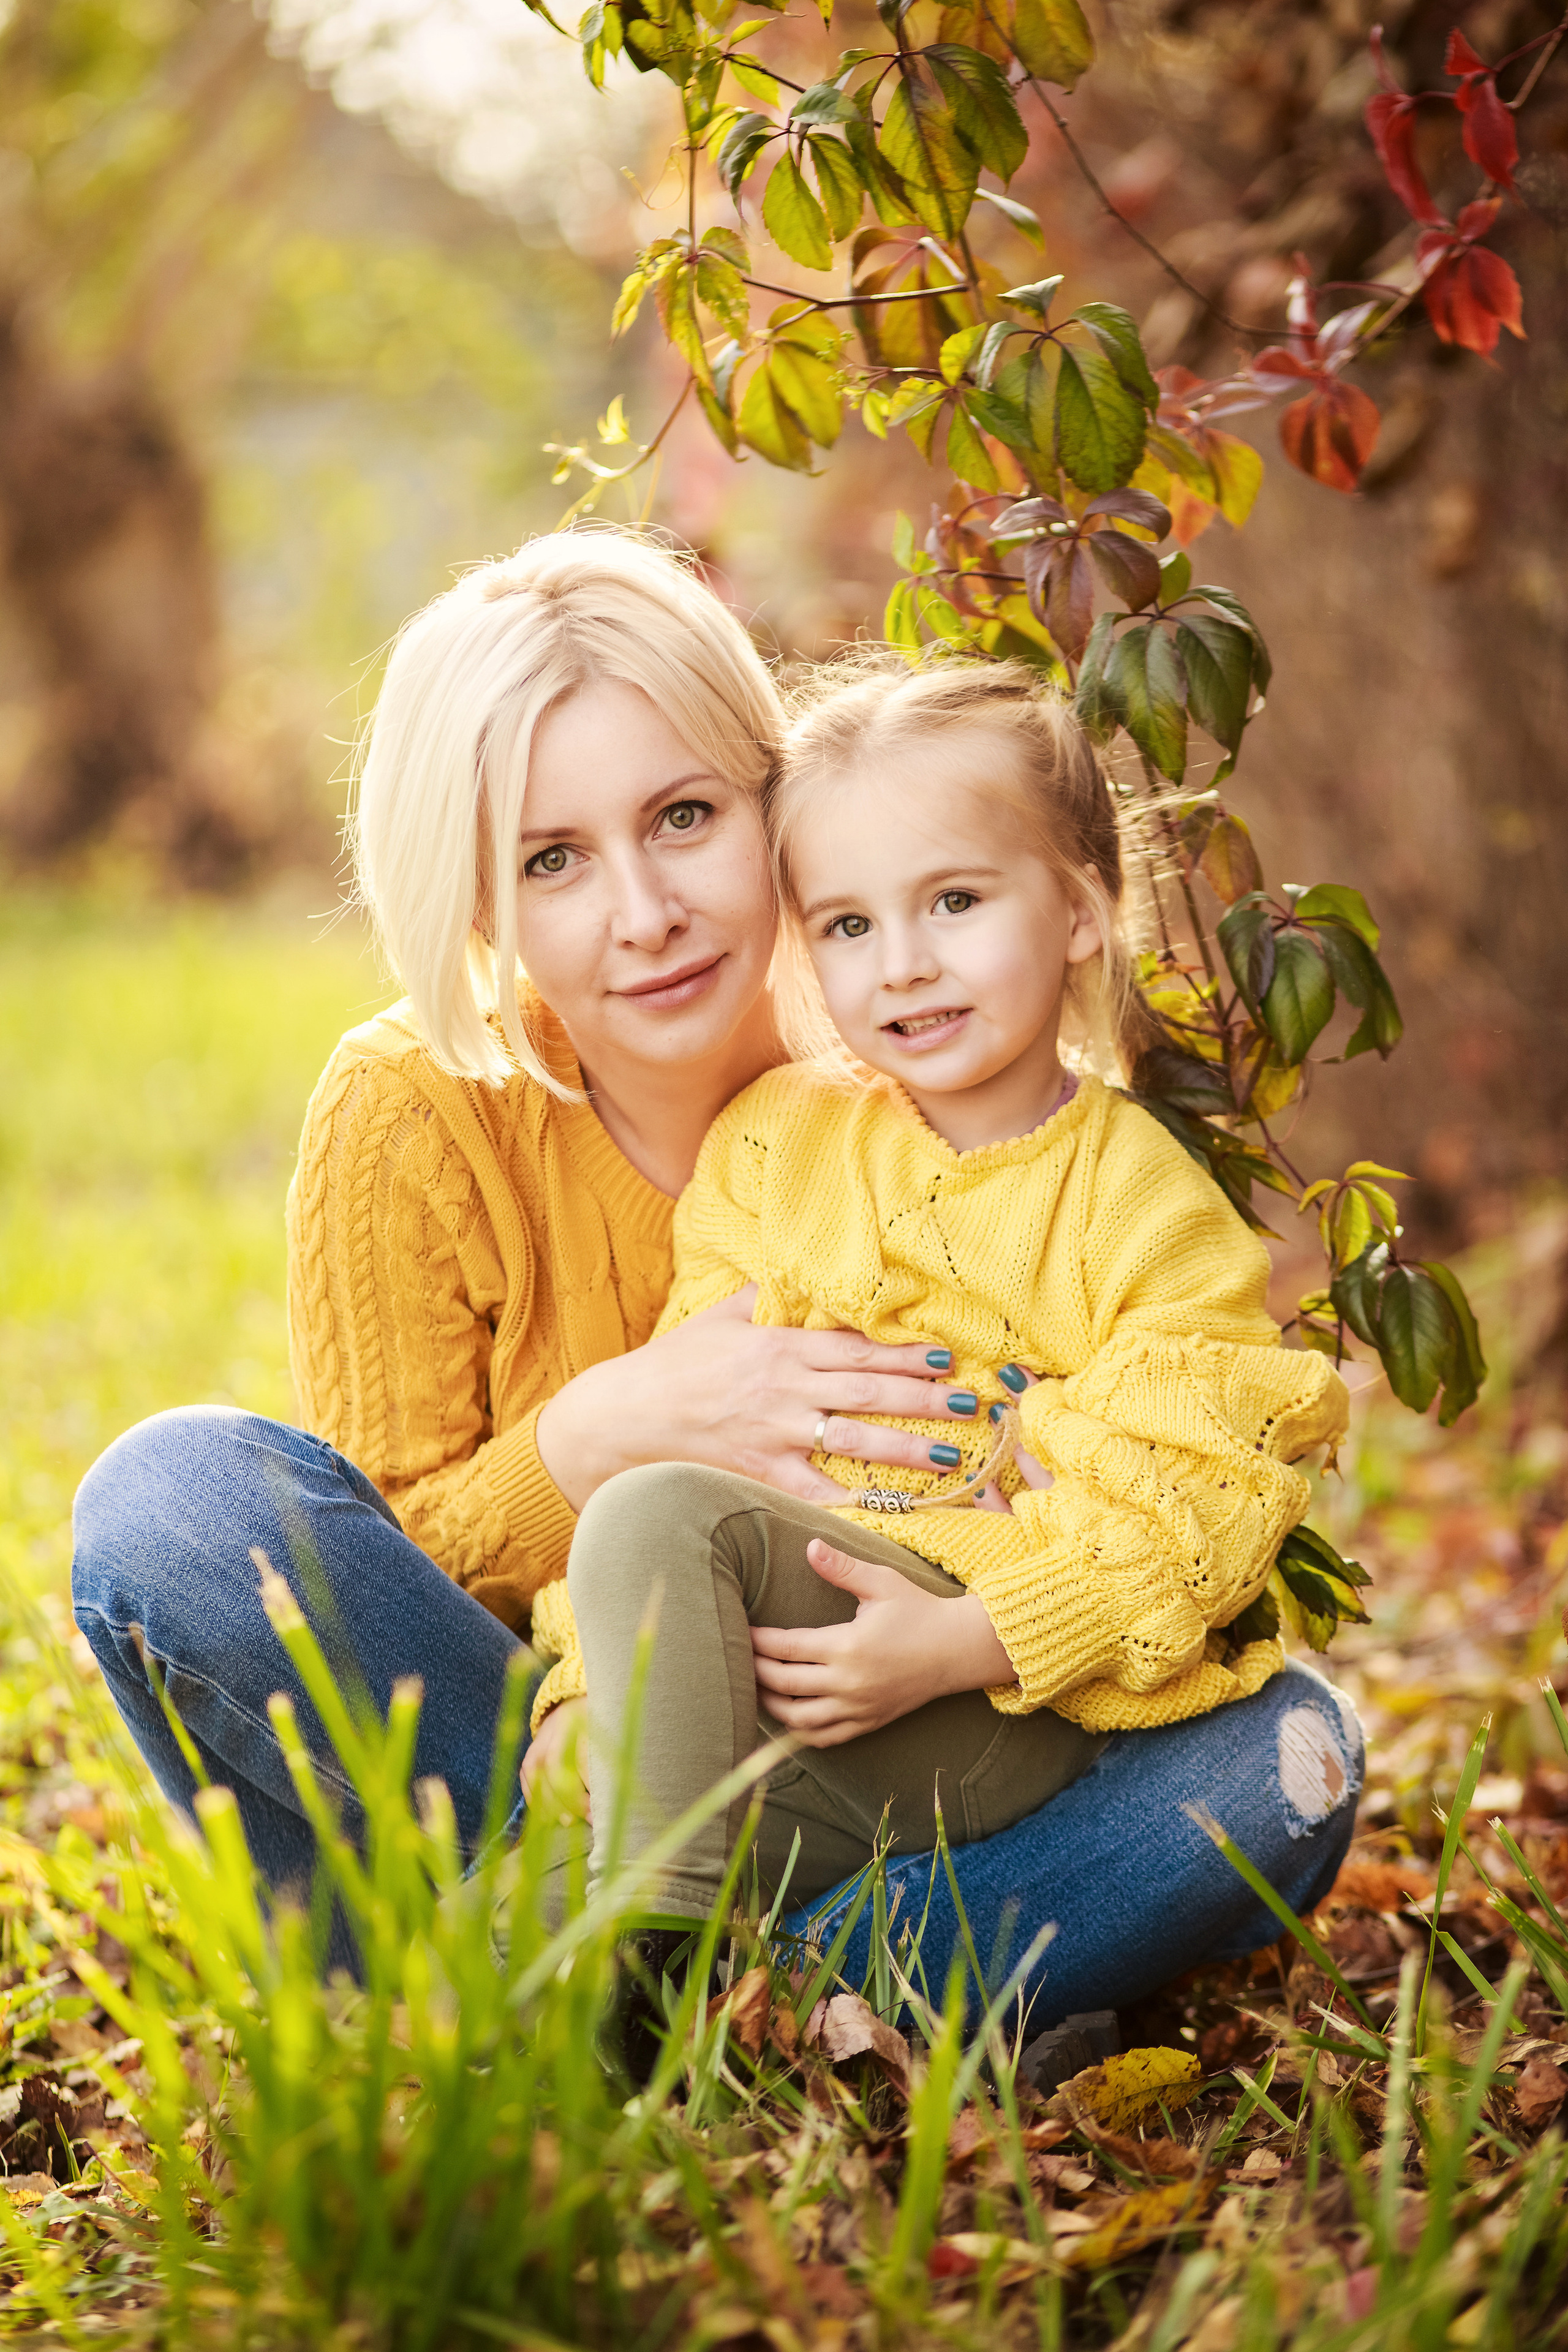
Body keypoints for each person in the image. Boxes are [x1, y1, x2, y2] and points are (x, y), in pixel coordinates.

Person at [69, 527, 1364, 2010]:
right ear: (480, 901)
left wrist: (989, 1564)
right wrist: (597, 1439)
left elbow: (1149, 1447)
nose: (644, 913)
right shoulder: (416, 1111)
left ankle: (651, 1988)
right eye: (552, 859)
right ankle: (672, 1958)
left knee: (1281, 1758)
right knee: (173, 1501)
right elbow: (368, 1580)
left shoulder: (903, 1047)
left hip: (899, 1728)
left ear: (773, 803)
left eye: (683, 816)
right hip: (535, 1760)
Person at [530, 660, 1362, 1999]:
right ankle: (723, 1953)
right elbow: (669, 1450)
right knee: (630, 1570)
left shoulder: (1140, 1206)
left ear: (1082, 912)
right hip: (778, 1674)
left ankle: (660, 1969)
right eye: (847, 927)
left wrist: (957, 1641)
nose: (902, 963)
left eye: (955, 903)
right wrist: (581, 1691)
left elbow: (1184, 1510)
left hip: (995, 1704)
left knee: (1280, 1758)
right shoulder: (773, 1152)